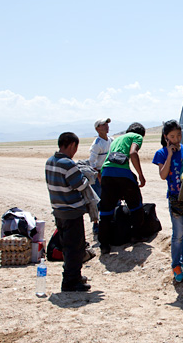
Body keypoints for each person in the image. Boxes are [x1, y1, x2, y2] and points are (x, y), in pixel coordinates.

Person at [45, 132, 93, 292]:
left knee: (67, 246)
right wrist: (87, 178)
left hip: (59, 211)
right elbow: (79, 185)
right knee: (75, 248)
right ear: (72, 145)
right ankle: (71, 281)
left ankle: (73, 276)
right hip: (72, 211)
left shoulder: (50, 161)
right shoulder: (67, 164)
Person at [153, 120, 183, 282]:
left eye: (179, 135)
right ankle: (175, 265)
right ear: (166, 137)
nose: (177, 139)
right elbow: (163, 175)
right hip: (175, 200)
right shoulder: (161, 154)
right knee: (178, 234)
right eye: (172, 136)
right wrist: (170, 155)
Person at [98, 122, 148, 246]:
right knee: (136, 204)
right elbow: (133, 153)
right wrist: (141, 175)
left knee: (106, 208)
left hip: (106, 173)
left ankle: (104, 244)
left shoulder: (116, 140)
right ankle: (136, 236)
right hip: (122, 173)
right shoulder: (137, 137)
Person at [87, 118, 111, 236]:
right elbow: (92, 162)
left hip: (108, 171)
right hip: (98, 173)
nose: (106, 126)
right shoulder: (97, 144)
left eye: (107, 124)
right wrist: (99, 175)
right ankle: (96, 224)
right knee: (97, 199)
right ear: (97, 129)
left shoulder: (111, 140)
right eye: (103, 125)